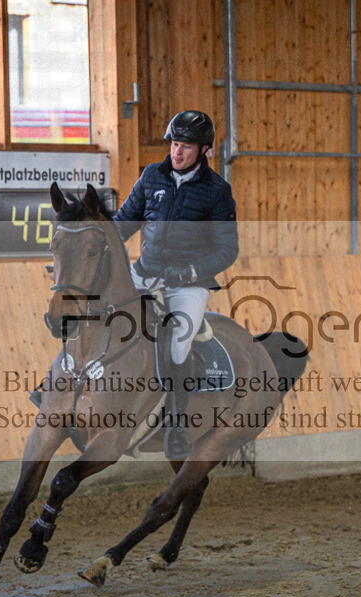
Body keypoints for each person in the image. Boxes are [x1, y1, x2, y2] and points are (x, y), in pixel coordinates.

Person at [113, 110, 239, 459]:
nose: (176, 152)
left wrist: (191, 271)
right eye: (173, 143)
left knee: (179, 345)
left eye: (185, 146)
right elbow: (124, 222)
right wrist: (92, 243)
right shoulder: (152, 175)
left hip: (188, 285)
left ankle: (177, 424)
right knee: (96, 310)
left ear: (205, 150)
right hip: (146, 271)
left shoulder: (217, 192)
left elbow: (228, 249)